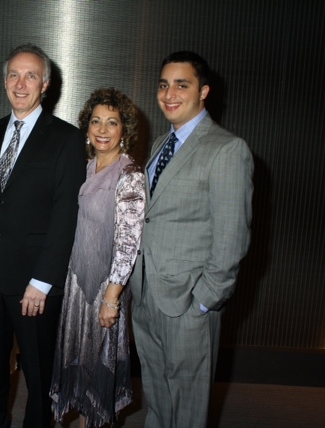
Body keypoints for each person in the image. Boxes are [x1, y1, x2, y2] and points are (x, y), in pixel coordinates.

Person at [129, 51, 254, 427]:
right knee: (156, 394)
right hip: (148, 294)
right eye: (164, 84)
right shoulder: (159, 147)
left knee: (187, 406)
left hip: (188, 303)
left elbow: (232, 237)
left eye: (181, 85)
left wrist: (204, 301)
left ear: (203, 92)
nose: (169, 93)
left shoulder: (227, 149)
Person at [0, 43, 86, 427]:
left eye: (31, 75)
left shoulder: (67, 140)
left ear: (45, 84)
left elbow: (66, 216)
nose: (21, 83)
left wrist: (43, 281)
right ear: (4, 81)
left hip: (35, 286)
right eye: (14, 75)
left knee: (39, 379)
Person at [50, 88, 146, 427]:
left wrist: (112, 299)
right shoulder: (85, 167)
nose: (102, 130)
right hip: (76, 284)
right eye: (96, 121)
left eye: (112, 123)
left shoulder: (129, 173)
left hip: (106, 288)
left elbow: (128, 243)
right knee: (77, 365)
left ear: (125, 130)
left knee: (98, 372)